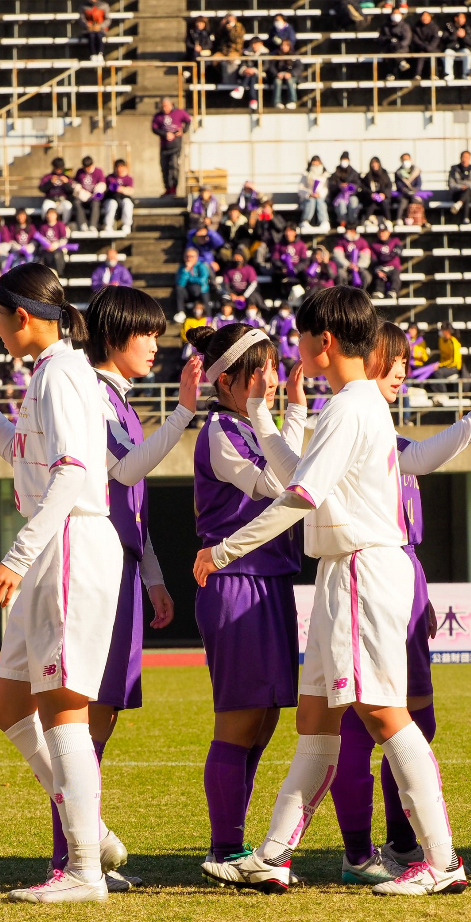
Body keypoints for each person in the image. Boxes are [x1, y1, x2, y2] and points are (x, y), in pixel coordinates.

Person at [194, 286, 466, 896]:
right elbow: (301, 476)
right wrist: (264, 416)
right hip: (344, 571)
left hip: (361, 570)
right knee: (316, 723)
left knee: (382, 715)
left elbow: (300, 497)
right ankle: (273, 853)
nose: (294, 349)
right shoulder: (352, 403)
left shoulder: (350, 406)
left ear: (327, 341)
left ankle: (442, 859)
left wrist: (223, 550)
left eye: (301, 337)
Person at [0, 262, 124, 902]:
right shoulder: (51, 374)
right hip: (57, 543)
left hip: (69, 541)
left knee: (62, 711)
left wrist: (15, 559)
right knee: (10, 705)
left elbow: (74, 475)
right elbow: (23, 451)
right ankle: (92, 831)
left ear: (21, 316)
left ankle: (84, 870)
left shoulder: (61, 375)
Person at [322, 323, 471, 883]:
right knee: (356, 722)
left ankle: (407, 845)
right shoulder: (350, 424)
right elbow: (419, 458)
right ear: (368, 357)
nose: (402, 369)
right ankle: (358, 849)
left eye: (406, 361)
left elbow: (420, 455)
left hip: (401, 576)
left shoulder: (386, 436)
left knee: (415, 714)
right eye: (394, 359)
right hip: (365, 569)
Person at [77, 286, 202, 889]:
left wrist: (152, 577)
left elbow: (132, 502)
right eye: (145, 334)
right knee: (83, 721)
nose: (156, 345)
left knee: (101, 721)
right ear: (113, 337)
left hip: (122, 568)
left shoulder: (120, 404)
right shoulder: (95, 398)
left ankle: (81, 848)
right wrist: (181, 413)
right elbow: (126, 470)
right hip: (95, 566)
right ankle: (73, 855)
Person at [185, 321, 306, 887]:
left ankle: (233, 843)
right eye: (259, 370)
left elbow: (298, 477)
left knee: (265, 719)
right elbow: (282, 488)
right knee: (238, 718)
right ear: (228, 379)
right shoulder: (220, 430)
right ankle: (226, 847)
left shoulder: (257, 426)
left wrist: (290, 419)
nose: (271, 379)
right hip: (236, 581)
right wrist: (283, 424)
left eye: (272, 366)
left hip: (272, 578)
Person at [151, 98, 191, 197]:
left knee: (174, 166)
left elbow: (188, 120)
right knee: (164, 167)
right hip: (164, 146)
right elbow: (154, 128)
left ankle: (173, 188)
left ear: (171, 104)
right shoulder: (158, 116)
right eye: (163, 106)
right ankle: (167, 188)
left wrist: (183, 130)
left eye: (166, 106)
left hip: (175, 146)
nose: (164, 108)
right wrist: (165, 134)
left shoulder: (179, 112)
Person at [39, 157, 80, 225]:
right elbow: (42, 189)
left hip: (62, 200)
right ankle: (46, 226)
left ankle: (64, 225)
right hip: (51, 200)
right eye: (57, 168)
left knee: (68, 206)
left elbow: (71, 191)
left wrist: (66, 183)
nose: (58, 170)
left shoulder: (67, 176)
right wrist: (50, 182)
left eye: (60, 168)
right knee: (45, 207)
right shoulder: (48, 176)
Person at [174, 246, 212, 316]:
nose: (189, 258)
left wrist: (189, 278)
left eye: (191, 256)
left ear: (196, 257)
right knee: (178, 289)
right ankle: (181, 312)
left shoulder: (202, 266)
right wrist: (186, 270)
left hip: (201, 291)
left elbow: (203, 280)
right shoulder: (182, 268)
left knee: (205, 294)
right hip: (188, 292)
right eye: (187, 256)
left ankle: (208, 317)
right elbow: (180, 283)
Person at [33, 207, 71, 276]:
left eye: (52, 214)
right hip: (46, 249)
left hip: (58, 248)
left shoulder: (60, 225)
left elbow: (64, 239)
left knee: (57, 256)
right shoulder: (43, 227)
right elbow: (41, 239)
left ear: (56, 215)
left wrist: (56, 245)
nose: (50, 216)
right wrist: (47, 245)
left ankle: (59, 274)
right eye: (48, 214)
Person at [368, 225, 403, 298]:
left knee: (395, 276)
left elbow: (399, 250)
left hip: (394, 267)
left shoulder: (395, 241)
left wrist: (388, 256)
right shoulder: (374, 245)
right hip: (381, 267)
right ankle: (379, 291)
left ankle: (393, 291)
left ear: (389, 232)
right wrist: (377, 270)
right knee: (379, 276)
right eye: (380, 232)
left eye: (384, 232)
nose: (382, 234)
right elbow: (374, 260)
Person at [448, 151, 471, 223]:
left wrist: (468, 186)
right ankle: (465, 218)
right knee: (466, 196)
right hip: (458, 193)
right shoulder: (454, 169)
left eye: (466, 157)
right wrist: (461, 187)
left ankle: (459, 204)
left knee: (467, 192)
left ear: (470, 159)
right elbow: (451, 184)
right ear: (460, 158)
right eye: (463, 157)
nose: (464, 159)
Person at [330, 152, 362, 228]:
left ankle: (352, 222)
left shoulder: (354, 173)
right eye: (343, 159)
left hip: (351, 195)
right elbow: (332, 186)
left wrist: (350, 187)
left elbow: (358, 185)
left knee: (353, 201)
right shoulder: (336, 173)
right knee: (341, 204)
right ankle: (342, 222)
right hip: (339, 196)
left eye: (345, 159)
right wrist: (340, 186)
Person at [103, 160, 135, 233]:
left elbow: (131, 190)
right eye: (118, 167)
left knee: (127, 203)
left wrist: (120, 189)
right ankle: (108, 225)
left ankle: (127, 225)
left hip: (123, 199)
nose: (119, 169)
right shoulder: (110, 177)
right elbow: (105, 189)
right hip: (112, 198)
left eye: (121, 167)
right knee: (111, 203)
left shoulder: (129, 178)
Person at [300, 156, 329, 228]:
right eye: (314, 161)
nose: (315, 163)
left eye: (317, 161)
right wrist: (308, 194)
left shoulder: (325, 174)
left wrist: (320, 194)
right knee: (311, 201)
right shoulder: (306, 174)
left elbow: (326, 188)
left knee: (320, 202)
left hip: (320, 197)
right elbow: (301, 188)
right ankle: (305, 221)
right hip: (309, 197)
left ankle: (324, 221)